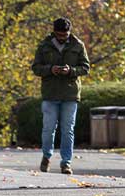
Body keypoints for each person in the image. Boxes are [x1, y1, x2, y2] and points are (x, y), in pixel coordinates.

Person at [30, 16, 90, 174]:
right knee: (48, 128)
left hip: (70, 94)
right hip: (50, 93)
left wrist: (71, 71)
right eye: (59, 35)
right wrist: (50, 69)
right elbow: (36, 67)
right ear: (54, 32)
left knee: (68, 129)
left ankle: (66, 162)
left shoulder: (78, 45)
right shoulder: (44, 46)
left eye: (65, 35)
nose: (62, 38)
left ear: (69, 32)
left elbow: (85, 68)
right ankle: (46, 156)